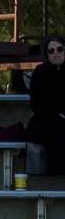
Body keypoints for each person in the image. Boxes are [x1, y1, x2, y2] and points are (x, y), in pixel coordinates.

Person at [26, 36, 65, 173]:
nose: (56, 53)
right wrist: (57, 114)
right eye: (51, 51)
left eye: (59, 49)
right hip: (47, 118)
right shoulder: (40, 72)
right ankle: (56, 176)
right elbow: (37, 103)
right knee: (54, 131)